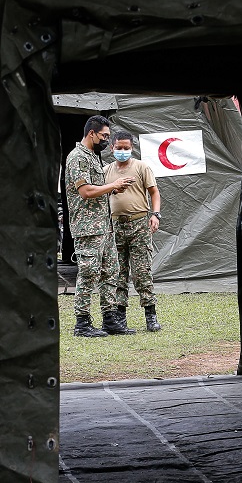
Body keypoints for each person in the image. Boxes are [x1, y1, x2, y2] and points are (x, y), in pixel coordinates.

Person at [63, 115, 137, 337]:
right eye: (104, 136)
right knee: (88, 273)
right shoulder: (78, 158)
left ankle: (109, 319)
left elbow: (97, 189)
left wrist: (114, 189)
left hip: (104, 226)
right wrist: (112, 184)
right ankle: (82, 323)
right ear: (91, 133)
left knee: (110, 271)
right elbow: (85, 192)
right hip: (88, 227)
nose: (106, 140)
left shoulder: (94, 158)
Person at [104, 129, 164, 332]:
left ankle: (150, 315)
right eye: (119, 148)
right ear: (112, 148)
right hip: (115, 226)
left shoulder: (142, 167)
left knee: (141, 272)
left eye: (126, 148)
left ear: (132, 148)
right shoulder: (106, 171)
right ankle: (120, 316)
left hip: (139, 224)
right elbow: (101, 195)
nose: (122, 151)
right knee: (118, 273)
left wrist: (155, 215)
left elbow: (154, 193)